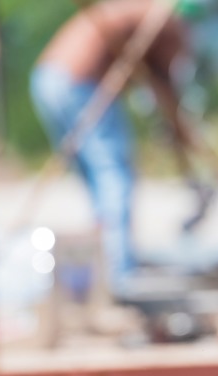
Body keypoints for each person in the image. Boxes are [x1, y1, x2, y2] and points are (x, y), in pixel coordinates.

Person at [30, 1, 186, 299]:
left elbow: (155, 83)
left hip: (46, 79)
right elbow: (166, 87)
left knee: (95, 180)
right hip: (79, 82)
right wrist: (180, 134)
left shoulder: (136, 12)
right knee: (114, 173)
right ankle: (119, 274)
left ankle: (103, 264)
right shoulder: (167, 23)